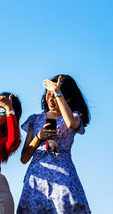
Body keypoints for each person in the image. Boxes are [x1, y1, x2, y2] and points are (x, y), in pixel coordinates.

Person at [17, 74, 91, 214]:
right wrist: (38, 137)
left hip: (64, 176)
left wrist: (58, 92)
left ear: (67, 98)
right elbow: (24, 158)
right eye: (48, 93)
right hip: (36, 178)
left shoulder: (74, 116)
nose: (50, 99)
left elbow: (70, 123)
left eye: (55, 95)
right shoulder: (35, 119)